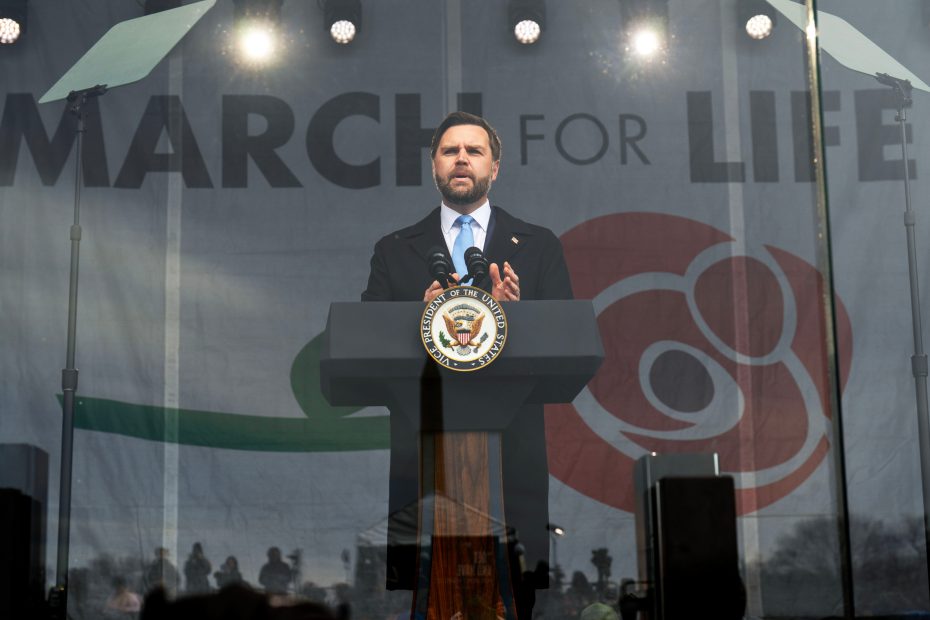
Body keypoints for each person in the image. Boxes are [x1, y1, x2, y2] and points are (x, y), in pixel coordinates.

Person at [362, 111, 573, 616]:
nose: (461, 159)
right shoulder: (394, 250)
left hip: (511, 461)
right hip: (424, 456)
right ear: (433, 165)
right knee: (427, 597)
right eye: (450, 150)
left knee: (513, 599)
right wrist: (416, 318)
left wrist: (517, 319)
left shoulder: (538, 245)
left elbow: (566, 339)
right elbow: (366, 342)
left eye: (474, 151)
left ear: (494, 168)